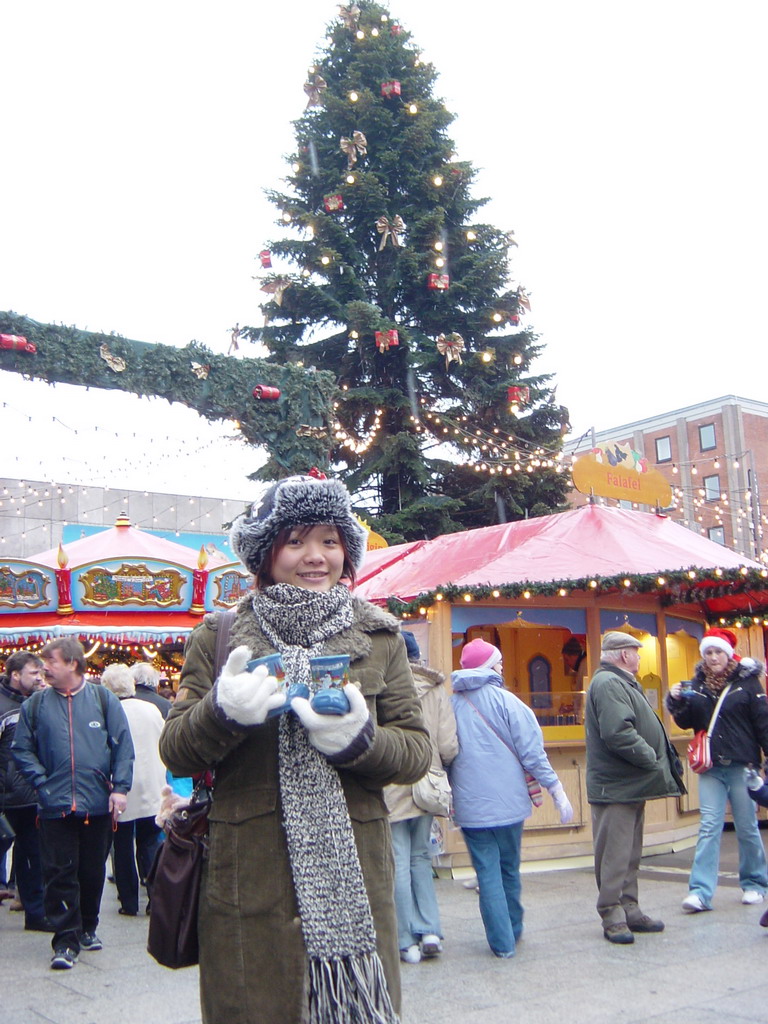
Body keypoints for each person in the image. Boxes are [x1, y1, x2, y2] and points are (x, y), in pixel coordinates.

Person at [159, 473, 431, 1024]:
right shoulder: (220, 635)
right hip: (248, 881)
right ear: (267, 552)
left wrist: (361, 742)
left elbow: (416, 751)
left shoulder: (378, 637)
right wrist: (221, 713)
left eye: (330, 541)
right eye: (296, 541)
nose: (316, 557)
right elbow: (176, 749)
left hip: (356, 876)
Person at [12, 638, 134, 970]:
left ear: (72, 664)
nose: (44, 668)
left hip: (96, 805)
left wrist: (120, 789)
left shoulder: (103, 699)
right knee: (59, 873)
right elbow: (21, 749)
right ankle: (65, 941)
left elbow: (123, 747)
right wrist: (41, 782)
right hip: (54, 807)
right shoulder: (35, 706)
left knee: (92, 872)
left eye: (50, 661)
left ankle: (87, 927)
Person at [449, 637, 574, 959]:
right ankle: (514, 928)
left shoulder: (450, 706)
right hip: (509, 804)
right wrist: (557, 790)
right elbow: (532, 755)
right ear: (489, 667)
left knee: (486, 873)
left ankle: (501, 943)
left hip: (470, 808)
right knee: (508, 869)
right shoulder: (510, 703)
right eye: (499, 663)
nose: (503, 667)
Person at [586, 632, 685, 944]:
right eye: (636, 652)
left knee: (629, 852)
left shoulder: (619, 681)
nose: (640, 658)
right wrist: (651, 758)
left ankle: (629, 908)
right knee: (614, 854)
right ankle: (612, 914)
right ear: (623, 655)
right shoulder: (609, 683)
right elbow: (618, 732)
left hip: (629, 785)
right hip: (617, 786)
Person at [666, 627, 768, 913]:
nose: (713, 658)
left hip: (742, 765)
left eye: (717, 652)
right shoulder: (697, 685)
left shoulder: (747, 685)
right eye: (708, 653)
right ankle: (700, 892)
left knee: (747, 826)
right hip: (711, 766)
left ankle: (754, 883)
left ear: (728, 653)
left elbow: (763, 722)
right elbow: (688, 723)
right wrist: (676, 702)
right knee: (709, 826)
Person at [384, 630, 458, 965]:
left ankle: (405, 939)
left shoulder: (382, 684)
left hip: (392, 780)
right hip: (427, 779)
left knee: (398, 861)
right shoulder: (436, 688)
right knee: (420, 858)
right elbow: (447, 743)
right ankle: (430, 929)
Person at [101, 664, 165, 916]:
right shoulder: (151, 709)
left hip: (122, 786)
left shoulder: (109, 712)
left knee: (123, 845)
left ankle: (128, 901)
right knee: (150, 842)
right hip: (152, 783)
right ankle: (154, 898)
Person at [0, 651, 51, 931]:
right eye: (34, 673)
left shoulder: (37, 703)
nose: (39, 678)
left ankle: (36, 913)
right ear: (16, 674)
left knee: (32, 856)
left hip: (30, 796)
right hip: (6, 795)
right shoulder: (4, 706)